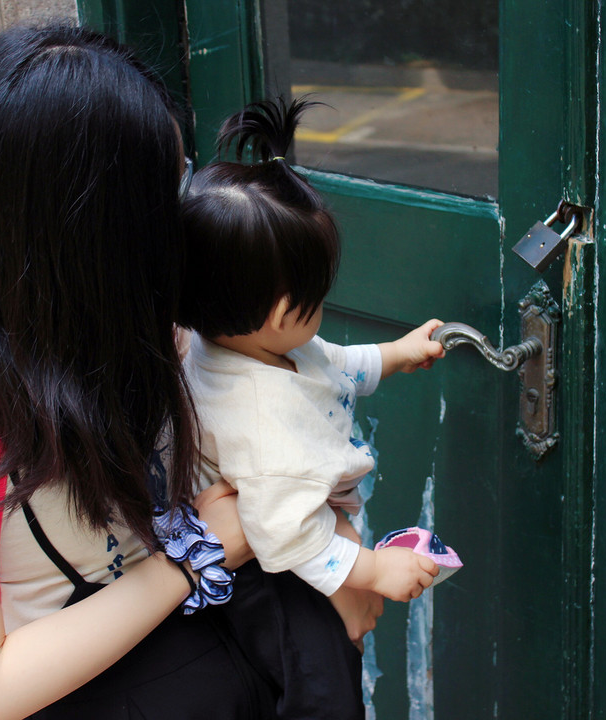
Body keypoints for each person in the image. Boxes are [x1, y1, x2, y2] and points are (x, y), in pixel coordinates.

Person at [0, 23, 309, 720]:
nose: (182, 210)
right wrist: (196, 557)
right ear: (92, 228)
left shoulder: (118, 311)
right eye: (167, 187)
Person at [178, 96, 446, 719]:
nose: (322, 310)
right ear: (279, 314)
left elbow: (331, 364)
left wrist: (396, 354)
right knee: (322, 687)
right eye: (317, 297)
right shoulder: (260, 423)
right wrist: (373, 572)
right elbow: (286, 535)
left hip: (307, 531)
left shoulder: (249, 345)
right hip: (279, 580)